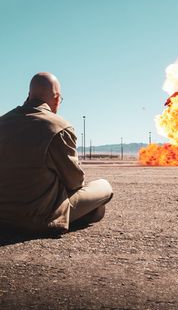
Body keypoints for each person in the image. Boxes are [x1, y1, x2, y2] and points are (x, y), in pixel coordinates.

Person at [0, 72, 113, 235]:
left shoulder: (2, 123)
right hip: (38, 219)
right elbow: (74, 182)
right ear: (57, 98)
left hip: (3, 217)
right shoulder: (58, 127)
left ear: (29, 95)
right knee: (104, 187)